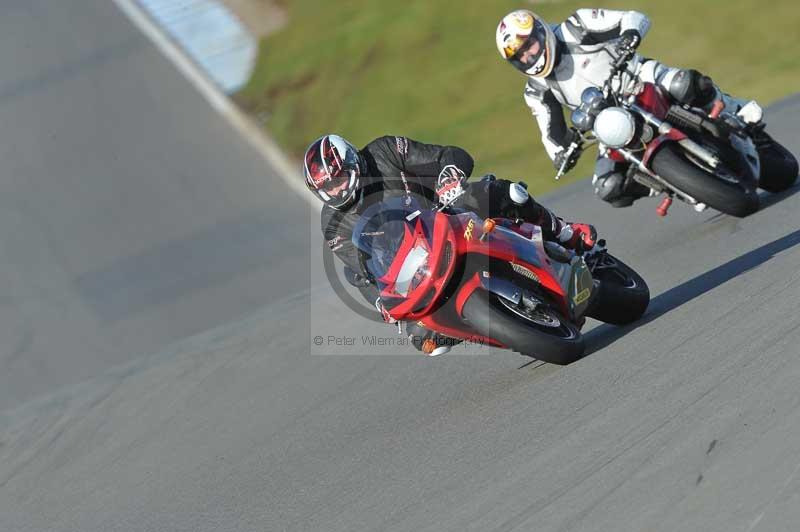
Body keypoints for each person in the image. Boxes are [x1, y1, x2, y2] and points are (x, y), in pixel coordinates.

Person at [304, 134, 597, 355]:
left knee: (501, 193)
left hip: (447, 215)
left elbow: (449, 154)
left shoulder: (384, 151)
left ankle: (563, 231)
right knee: (422, 337)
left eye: (340, 178)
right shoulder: (332, 223)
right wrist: (383, 305)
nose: (338, 188)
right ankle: (496, 325)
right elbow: (364, 271)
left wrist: (450, 175)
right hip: (414, 265)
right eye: (328, 187)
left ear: (353, 162)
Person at [495, 8, 794, 207]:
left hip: (639, 80)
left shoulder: (577, 25)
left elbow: (633, 17)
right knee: (607, 186)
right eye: (519, 56)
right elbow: (551, 138)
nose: (529, 57)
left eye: (529, 46)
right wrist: (564, 152)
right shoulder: (536, 90)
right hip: (608, 123)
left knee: (686, 84)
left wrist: (629, 35)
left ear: (540, 32)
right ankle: (670, 182)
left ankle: (739, 115)